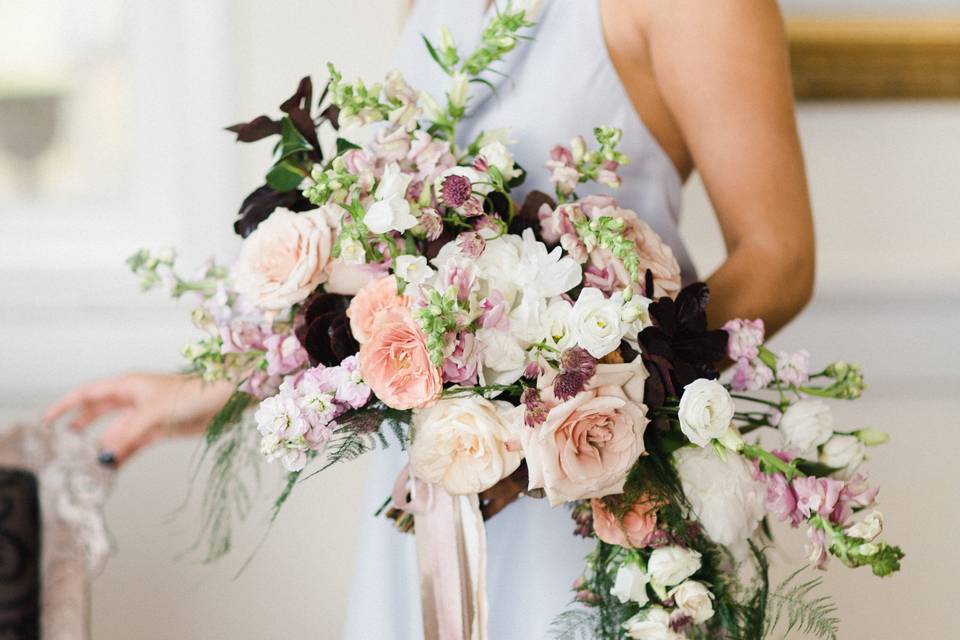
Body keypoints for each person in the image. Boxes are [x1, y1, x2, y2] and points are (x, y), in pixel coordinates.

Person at [45, 0, 815, 637]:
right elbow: (391, 256)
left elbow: (779, 258)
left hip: (594, 483)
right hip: (436, 481)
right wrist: (215, 388)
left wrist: (587, 405)